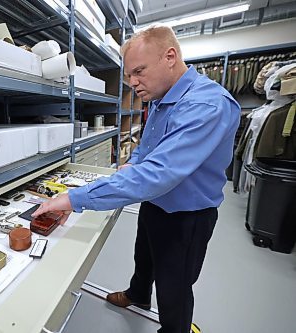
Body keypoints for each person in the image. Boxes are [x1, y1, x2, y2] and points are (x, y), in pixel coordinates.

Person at [32, 25, 240, 333]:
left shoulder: (207, 105)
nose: (132, 83)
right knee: (144, 257)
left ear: (170, 56)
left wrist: (74, 199)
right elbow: (147, 149)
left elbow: (159, 173)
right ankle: (139, 294)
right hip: (155, 204)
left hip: (188, 215)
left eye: (139, 72)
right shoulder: (160, 96)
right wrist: (129, 165)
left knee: (174, 285)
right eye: (129, 74)